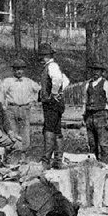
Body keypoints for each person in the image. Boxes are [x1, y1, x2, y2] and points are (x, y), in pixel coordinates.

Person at [38, 42, 68, 170]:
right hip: (55, 103)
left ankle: (46, 161)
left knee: (49, 130)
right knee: (56, 130)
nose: (40, 58)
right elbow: (66, 80)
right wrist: (59, 92)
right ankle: (57, 160)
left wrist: (54, 93)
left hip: (51, 104)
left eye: (42, 55)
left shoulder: (52, 66)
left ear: (46, 56)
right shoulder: (52, 66)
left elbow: (58, 79)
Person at [1, 59, 41, 153]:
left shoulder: (29, 81)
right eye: (16, 69)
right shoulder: (7, 81)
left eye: (21, 69)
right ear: (13, 70)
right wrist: (3, 106)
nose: (19, 71)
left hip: (24, 108)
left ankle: (23, 155)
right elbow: (0, 94)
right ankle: (12, 154)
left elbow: (39, 90)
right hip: (11, 109)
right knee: (12, 131)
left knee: (25, 132)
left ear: (24, 70)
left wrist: (33, 100)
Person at [83, 60, 108, 161]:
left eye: (98, 70)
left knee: (103, 144)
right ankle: (94, 165)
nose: (95, 72)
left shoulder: (107, 84)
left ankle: (105, 165)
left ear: (102, 72)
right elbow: (84, 101)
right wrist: (83, 115)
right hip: (89, 116)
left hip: (101, 115)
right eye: (94, 70)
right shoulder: (88, 85)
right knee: (92, 143)